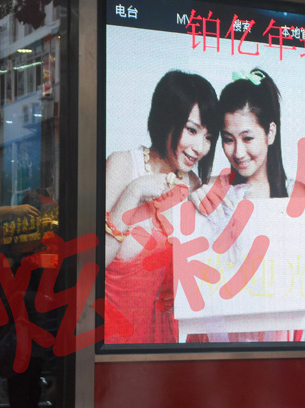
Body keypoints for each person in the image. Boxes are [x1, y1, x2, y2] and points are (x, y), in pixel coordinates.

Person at [104, 70, 220, 343]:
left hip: (167, 340)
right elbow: (93, 262)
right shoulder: (123, 165)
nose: (200, 147)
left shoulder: (193, 186)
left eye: (208, 137)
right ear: (166, 118)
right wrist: (134, 191)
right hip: (115, 339)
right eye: (192, 130)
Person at [188, 69, 296, 342]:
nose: (237, 152)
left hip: (277, 335)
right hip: (218, 335)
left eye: (248, 138)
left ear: (270, 132)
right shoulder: (212, 190)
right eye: (228, 139)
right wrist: (191, 206)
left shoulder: (295, 194)